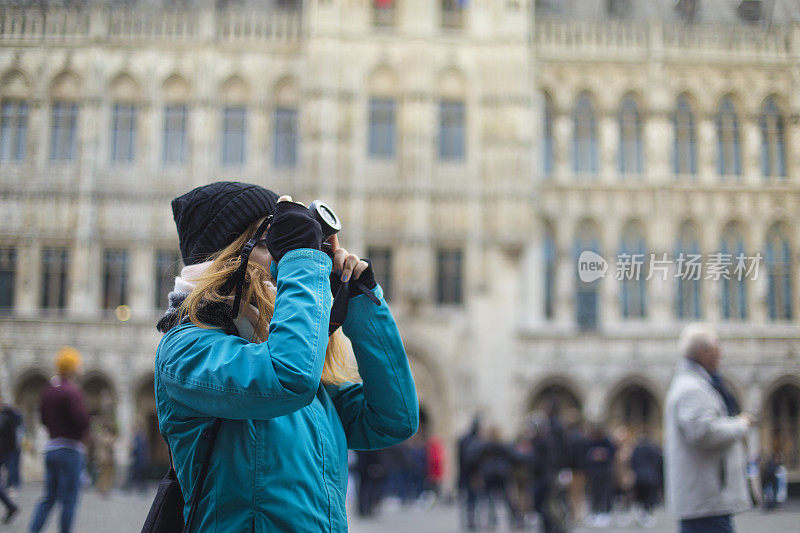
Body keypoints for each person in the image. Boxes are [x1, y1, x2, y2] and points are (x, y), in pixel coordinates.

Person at [155, 182, 418, 531]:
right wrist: (302, 261)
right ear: (226, 257)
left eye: (284, 242)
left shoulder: (302, 372)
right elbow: (286, 377)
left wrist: (360, 302)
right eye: (270, 243)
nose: (281, 257)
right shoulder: (185, 349)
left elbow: (393, 419)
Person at [664, 323, 754, 533]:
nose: (721, 354)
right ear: (703, 353)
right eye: (716, 348)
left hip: (706, 498)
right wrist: (741, 424)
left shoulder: (695, 384)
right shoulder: (692, 388)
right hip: (706, 498)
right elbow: (703, 432)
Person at [29, 346, 91, 533]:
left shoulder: (47, 390)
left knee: (49, 497)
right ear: (72, 367)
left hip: (51, 448)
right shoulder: (72, 391)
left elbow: (43, 419)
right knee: (69, 500)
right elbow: (81, 420)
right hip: (70, 450)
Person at [0, 404, 20, 523]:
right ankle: (10, 507)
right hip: (5, 452)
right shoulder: (8, 416)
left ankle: (11, 507)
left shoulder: (4, 417)